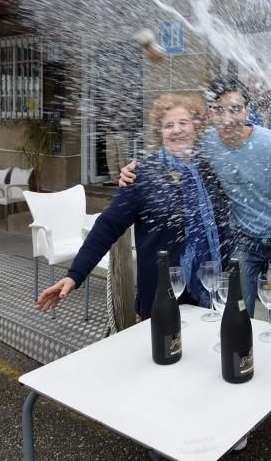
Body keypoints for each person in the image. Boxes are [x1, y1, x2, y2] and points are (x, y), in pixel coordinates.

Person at [121, 76, 271, 316]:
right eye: (218, 111)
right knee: (235, 312)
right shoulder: (207, 143)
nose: (227, 119)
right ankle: (241, 350)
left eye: (235, 109)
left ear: (247, 110)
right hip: (246, 239)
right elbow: (175, 149)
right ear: (210, 113)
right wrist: (138, 169)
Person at [36, 93, 230, 321]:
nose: (176, 129)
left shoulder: (210, 173)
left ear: (196, 128)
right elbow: (108, 225)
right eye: (168, 125)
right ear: (160, 133)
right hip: (161, 298)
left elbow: (224, 229)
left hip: (209, 294)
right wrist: (75, 275)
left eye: (183, 123)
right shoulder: (142, 175)